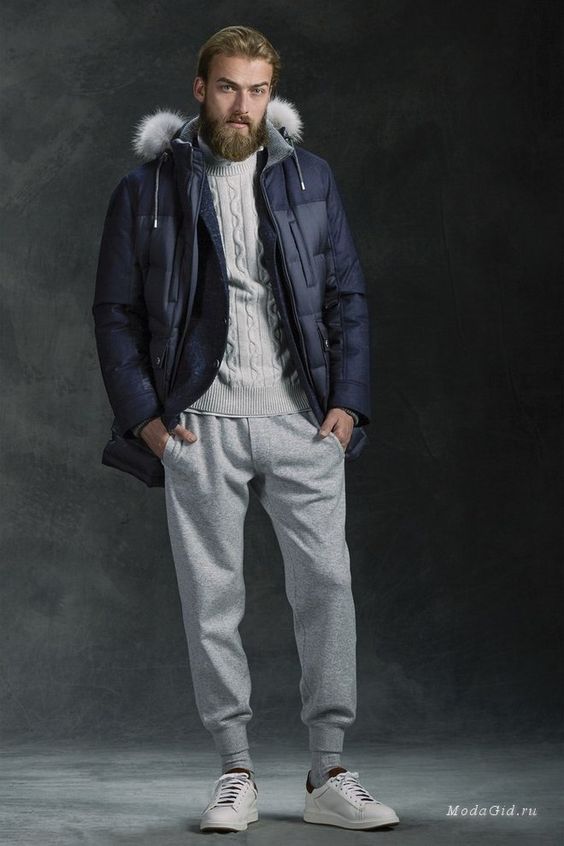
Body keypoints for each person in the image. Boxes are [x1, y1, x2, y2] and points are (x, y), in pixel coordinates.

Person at [92, 24, 399, 834]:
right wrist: (148, 423)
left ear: (272, 94)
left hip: (302, 422)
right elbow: (115, 314)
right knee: (212, 602)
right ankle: (235, 772)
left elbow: (347, 296)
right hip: (199, 427)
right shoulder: (146, 190)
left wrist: (346, 406)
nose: (243, 105)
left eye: (257, 90)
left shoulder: (311, 178)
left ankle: (328, 772)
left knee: (327, 589)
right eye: (228, 87)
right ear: (200, 89)